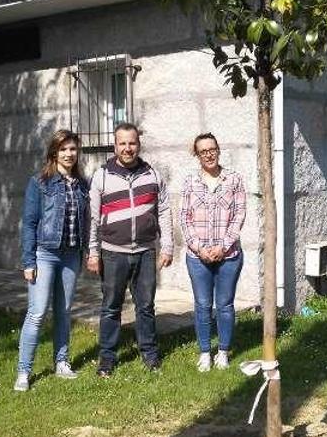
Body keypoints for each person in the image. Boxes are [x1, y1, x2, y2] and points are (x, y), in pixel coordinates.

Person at [86, 122, 173, 377]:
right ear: (115, 146)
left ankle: (150, 355)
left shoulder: (152, 174)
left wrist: (166, 246)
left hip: (146, 252)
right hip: (112, 253)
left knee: (145, 306)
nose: (128, 148)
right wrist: (93, 252)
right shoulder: (102, 176)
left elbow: (165, 211)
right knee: (111, 307)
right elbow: (92, 218)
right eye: (122, 143)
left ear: (139, 144)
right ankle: (107, 360)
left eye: (132, 143)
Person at [15, 129, 89, 391]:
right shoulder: (40, 183)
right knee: (36, 313)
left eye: (73, 149)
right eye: (64, 149)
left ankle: (61, 362)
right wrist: (28, 262)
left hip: (71, 256)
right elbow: (30, 224)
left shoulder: (82, 184)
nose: (69, 154)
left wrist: (86, 251)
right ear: (54, 152)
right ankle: (24, 371)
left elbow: (86, 220)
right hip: (44, 254)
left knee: (64, 312)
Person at [178, 133, 246, 372]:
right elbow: (184, 219)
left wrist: (223, 247)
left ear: (218, 150)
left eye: (212, 149)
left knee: (225, 304)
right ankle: (205, 352)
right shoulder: (190, 182)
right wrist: (200, 248)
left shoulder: (234, 180)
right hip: (198, 257)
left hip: (228, 256)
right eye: (203, 151)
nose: (209, 154)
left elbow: (239, 216)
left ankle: (224, 352)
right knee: (203, 305)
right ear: (197, 155)